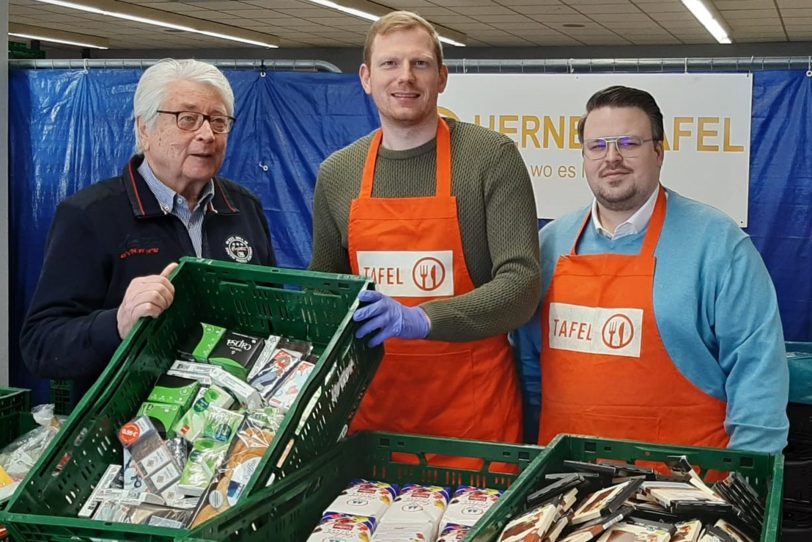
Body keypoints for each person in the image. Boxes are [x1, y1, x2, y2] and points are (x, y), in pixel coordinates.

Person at [513, 85, 789, 453]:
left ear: (658, 151)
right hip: (568, 486)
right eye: (597, 146)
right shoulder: (551, 244)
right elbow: (530, 370)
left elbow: (759, 374)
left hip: (686, 492)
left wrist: (744, 483)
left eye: (628, 143)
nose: (611, 157)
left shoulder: (717, 244)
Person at [309, 11, 540, 445]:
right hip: (373, 419)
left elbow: (522, 286)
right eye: (390, 64)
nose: (405, 78)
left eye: (420, 64)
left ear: (442, 77)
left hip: (473, 421)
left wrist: (422, 318)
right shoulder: (338, 172)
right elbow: (324, 290)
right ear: (365, 77)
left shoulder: (491, 158)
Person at [21, 59, 275, 396]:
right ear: (145, 128)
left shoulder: (244, 209)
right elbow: (40, 343)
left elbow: (272, 314)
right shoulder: (90, 216)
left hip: (226, 427)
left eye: (218, 121)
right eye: (187, 119)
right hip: (125, 431)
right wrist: (117, 323)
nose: (206, 134)